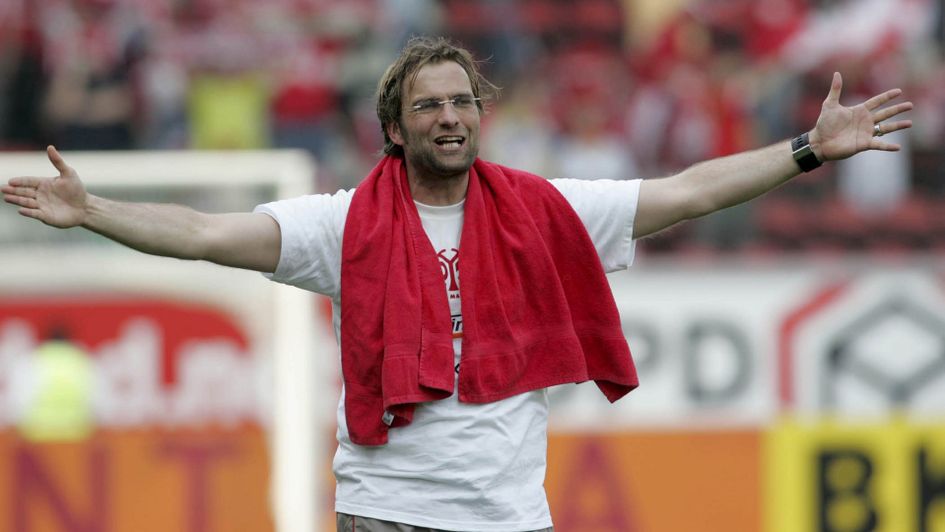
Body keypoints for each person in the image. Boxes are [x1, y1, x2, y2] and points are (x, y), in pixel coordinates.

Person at [2, 36, 912, 532]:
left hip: (511, 519)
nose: (448, 116)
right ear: (394, 131)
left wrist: (803, 151)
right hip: (384, 517)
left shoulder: (548, 210)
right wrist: (95, 211)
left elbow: (684, 192)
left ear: (482, 117)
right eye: (427, 105)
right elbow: (204, 231)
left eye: (461, 102)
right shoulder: (340, 225)